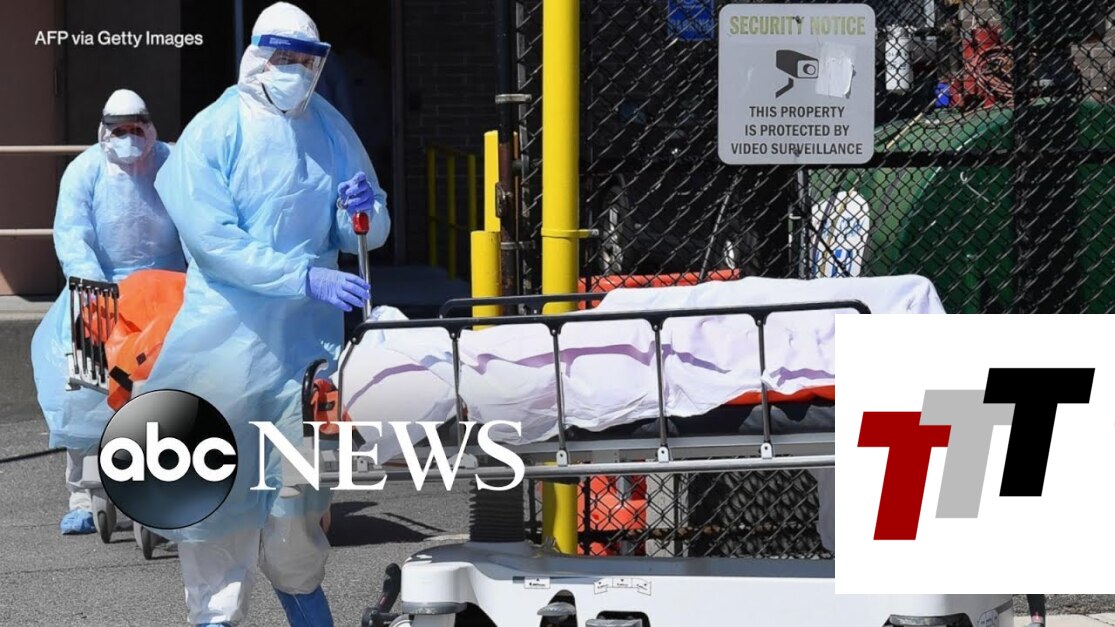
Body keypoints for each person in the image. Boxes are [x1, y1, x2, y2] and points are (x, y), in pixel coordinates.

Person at [142, 3, 389, 625]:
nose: (296, 71)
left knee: (297, 504)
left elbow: (366, 228)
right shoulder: (214, 130)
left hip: (304, 356)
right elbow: (213, 242)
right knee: (215, 504)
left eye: (307, 60)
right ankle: (216, 617)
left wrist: (362, 212)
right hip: (225, 346)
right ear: (257, 57)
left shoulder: (330, 126)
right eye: (284, 58)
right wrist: (301, 276)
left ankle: (307, 608)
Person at [30, 89, 186, 535]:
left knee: (171, 386)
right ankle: (84, 492)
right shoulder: (84, 171)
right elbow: (72, 235)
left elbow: (197, 224)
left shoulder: (174, 165)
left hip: (166, 292)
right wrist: (95, 291)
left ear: (150, 126)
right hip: (100, 294)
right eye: (120, 130)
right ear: (104, 131)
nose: (129, 138)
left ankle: (174, 476)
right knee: (83, 388)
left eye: (136, 128)